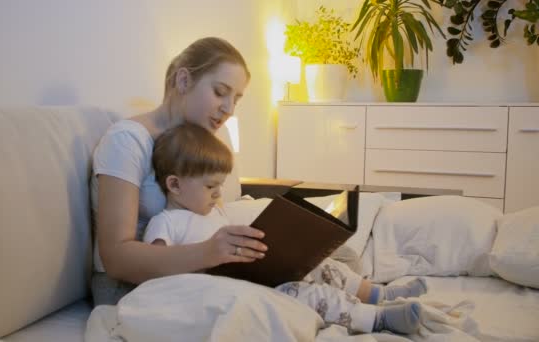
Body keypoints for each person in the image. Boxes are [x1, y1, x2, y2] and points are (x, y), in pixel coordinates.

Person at [143, 122, 427, 334]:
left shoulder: (215, 212)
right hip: (227, 290)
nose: (219, 193)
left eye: (220, 185)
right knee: (304, 292)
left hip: (252, 274)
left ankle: (377, 293)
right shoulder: (165, 223)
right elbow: (156, 273)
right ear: (175, 185)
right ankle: (377, 319)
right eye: (210, 186)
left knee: (321, 265)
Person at [90, 37, 268, 306]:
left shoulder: (202, 146)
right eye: (220, 92)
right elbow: (115, 259)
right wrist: (209, 253)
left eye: (236, 99)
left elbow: (209, 220)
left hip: (195, 275)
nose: (229, 109)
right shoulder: (127, 140)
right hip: (130, 287)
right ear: (183, 81)